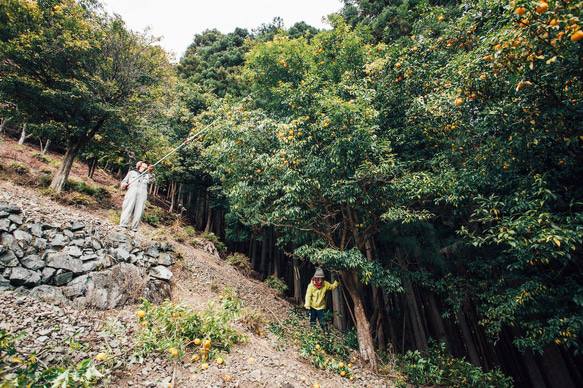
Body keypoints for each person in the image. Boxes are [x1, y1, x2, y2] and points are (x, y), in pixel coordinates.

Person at [119, 161, 155, 232]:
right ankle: (123, 225)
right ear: (139, 164)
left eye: (147, 164)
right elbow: (124, 182)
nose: (146, 165)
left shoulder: (147, 175)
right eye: (144, 163)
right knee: (128, 207)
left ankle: (133, 229)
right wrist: (123, 185)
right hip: (131, 192)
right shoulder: (132, 173)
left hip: (142, 193)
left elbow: (151, 181)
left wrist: (151, 172)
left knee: (139, 211)